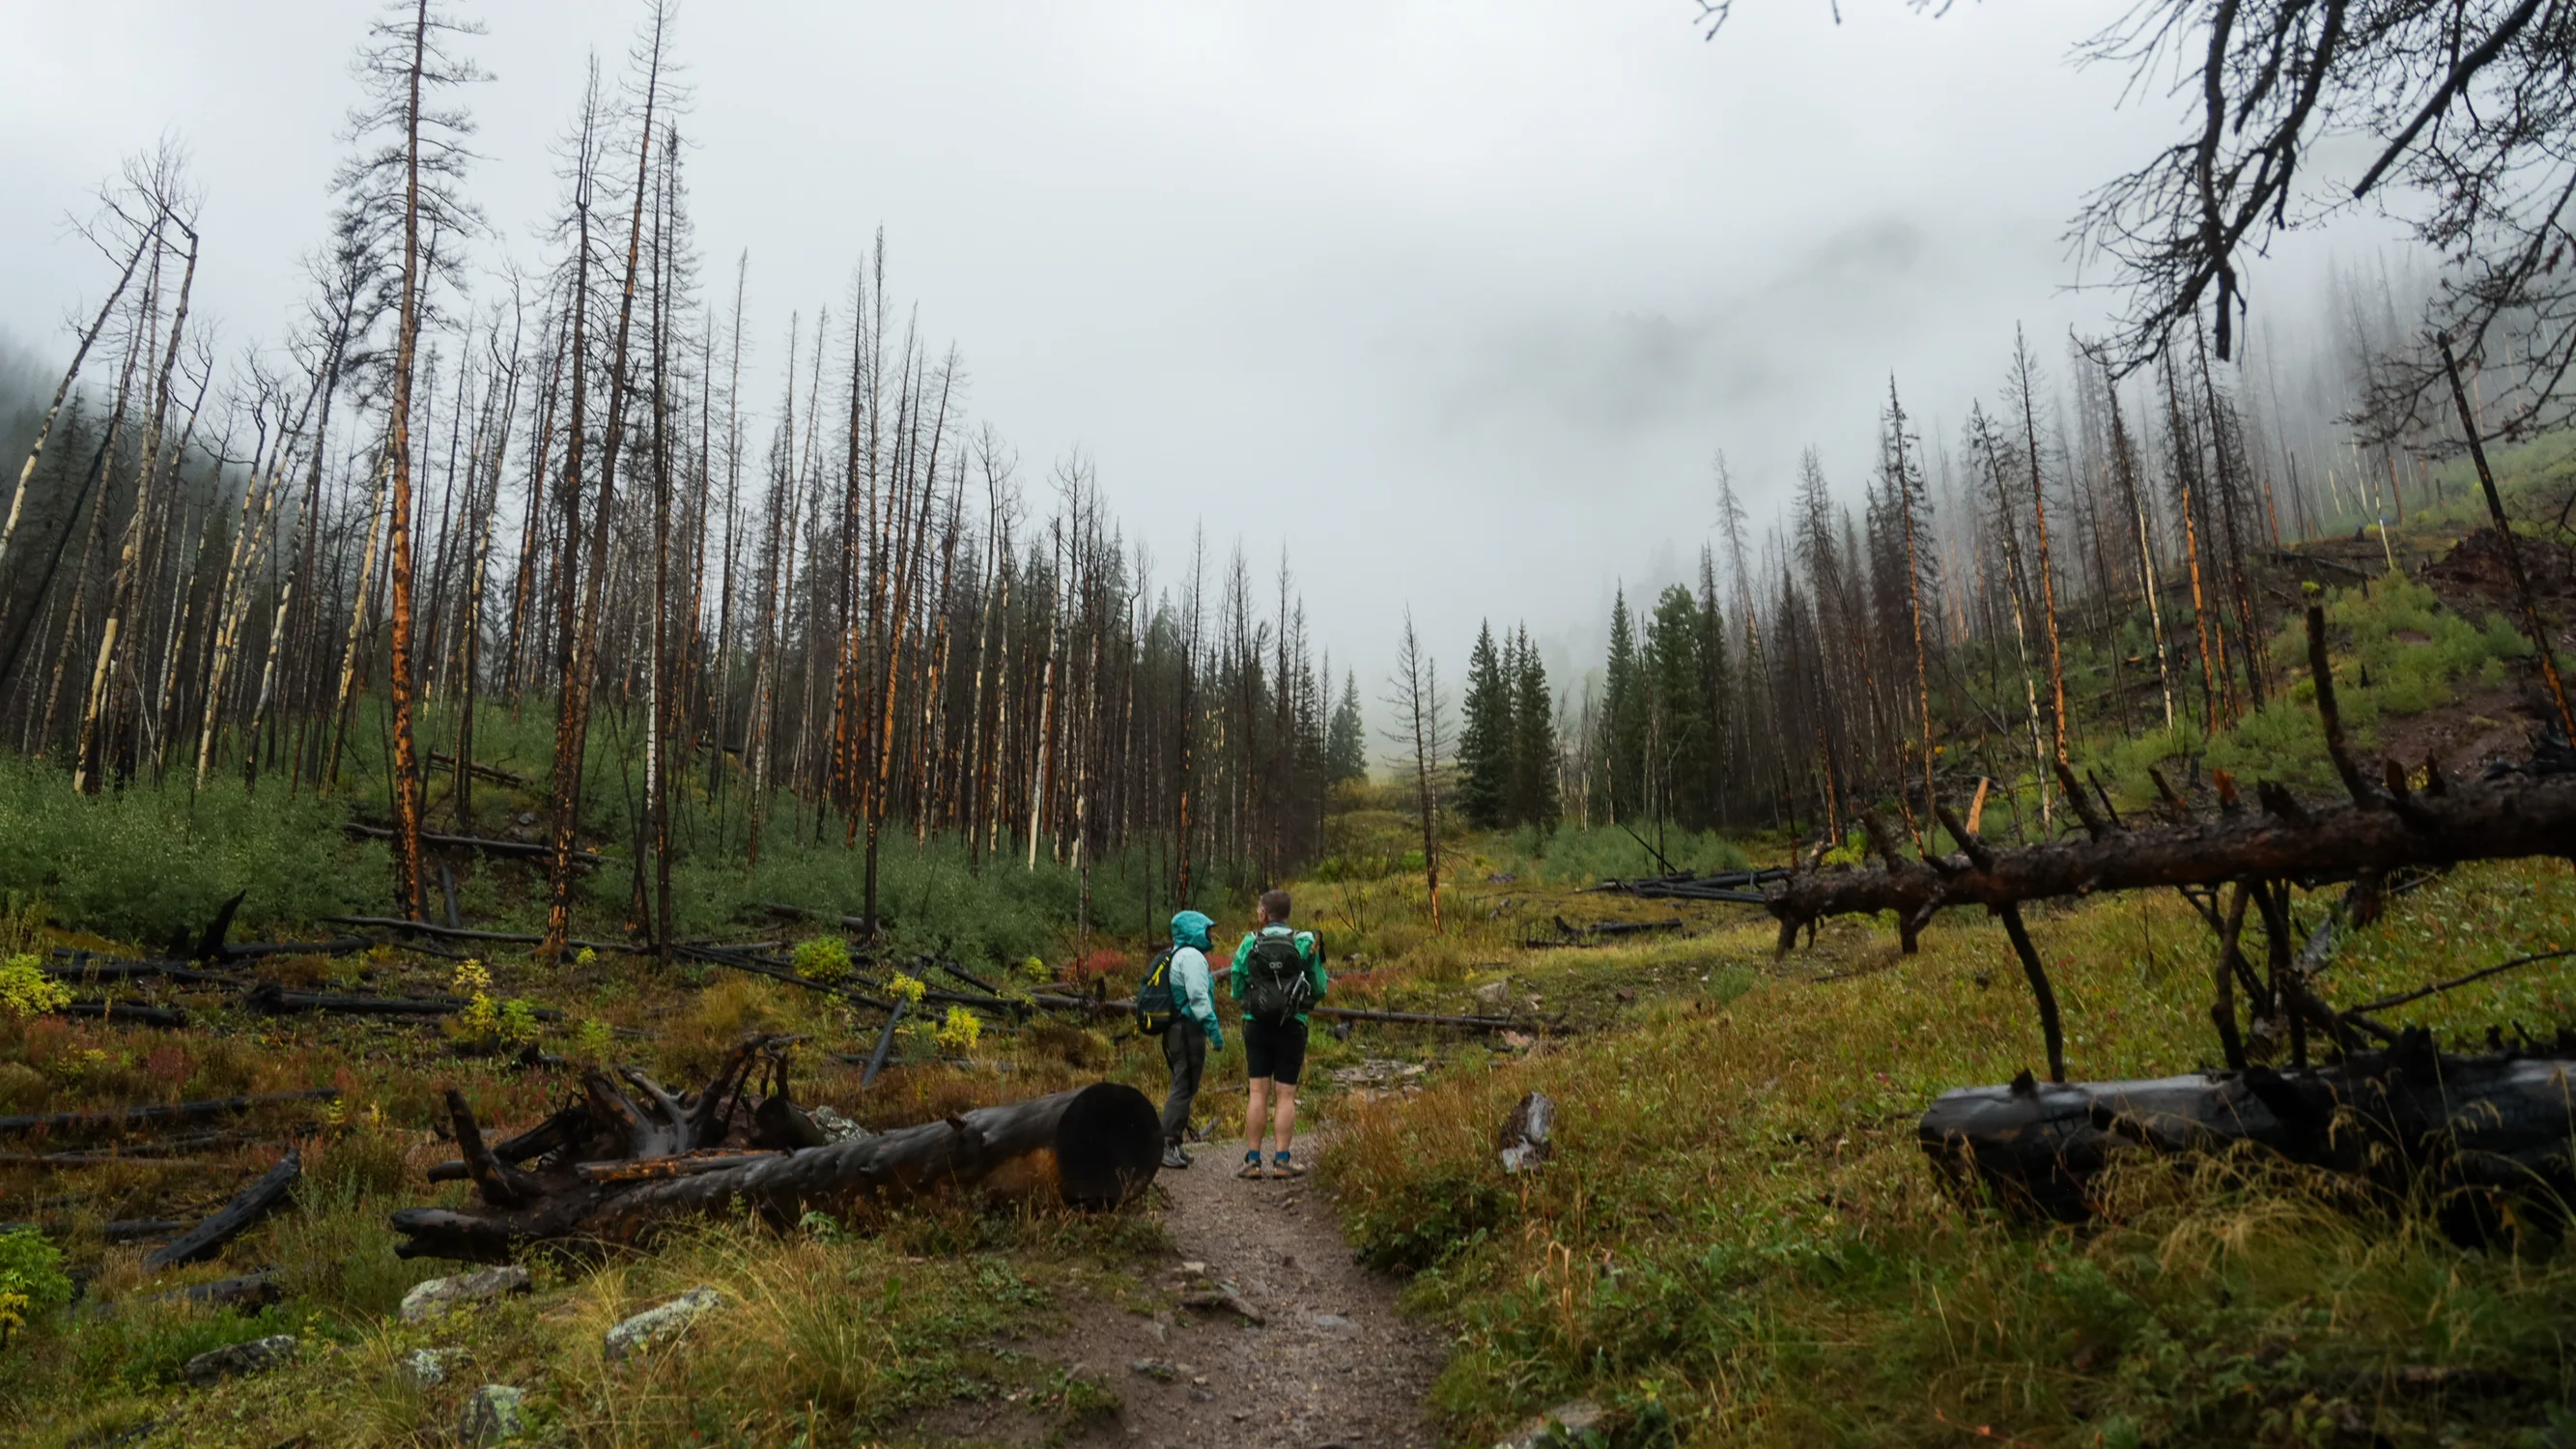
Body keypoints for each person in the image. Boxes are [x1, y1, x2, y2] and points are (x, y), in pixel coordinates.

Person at [1230, 889, 1326, 1179]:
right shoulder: (1304, 941)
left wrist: (1250, 1004)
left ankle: (1253, 1161)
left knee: (1257, 1092)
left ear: (1263, 913)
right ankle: (1282, 1161)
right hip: (1292, 1025)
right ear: (1288, 913)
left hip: (1256, 1024)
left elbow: (1237, 982)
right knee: (1286, 1095)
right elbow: (1319, 986)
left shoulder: (1250, 942)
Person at [1158, 910, 1224, 1170]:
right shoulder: (1192, 956)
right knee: (1183, 1085)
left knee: (1185, 1084)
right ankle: (1166, 1144)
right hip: (1186, 1029)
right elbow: (1198, 998)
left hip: (1179, 1029)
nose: (1210, 935)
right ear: (1195, 931)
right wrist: (1214, 1032)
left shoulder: (1179, 954)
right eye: (1207, 930)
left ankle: (1174, 1144)